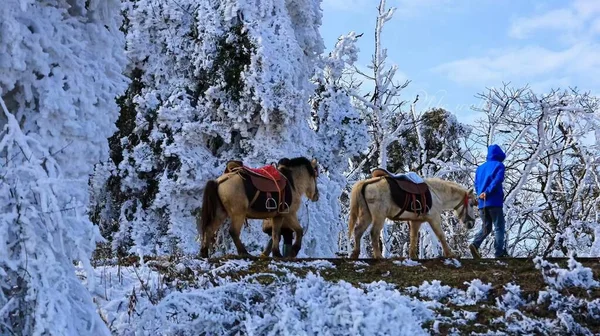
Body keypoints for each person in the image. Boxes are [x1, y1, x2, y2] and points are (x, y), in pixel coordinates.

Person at [469, 144, 509, 259]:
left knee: (486, 227)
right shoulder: (499, 165)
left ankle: (475, 244)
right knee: (499, 227)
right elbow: (498, 180)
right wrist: (488, 191)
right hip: (494, 201)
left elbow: (476, 184)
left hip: (482, 203)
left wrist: (481, 194)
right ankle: (499, 253)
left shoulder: (480, 168)